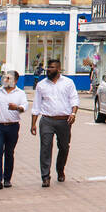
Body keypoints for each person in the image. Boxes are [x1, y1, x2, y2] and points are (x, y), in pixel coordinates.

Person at [30, 59, 79, 188]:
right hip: (47, 120)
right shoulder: (41, 85)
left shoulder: (68, 83)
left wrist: (73, 114)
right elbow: (36, 105)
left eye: (51, 67)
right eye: (48, 67)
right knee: (45, 148)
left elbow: (74, 100)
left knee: (64, 147)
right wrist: (33, 124)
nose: (48, 70)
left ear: (58, 69)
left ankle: (60, 169)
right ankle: (45, 177)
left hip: (64, 120)